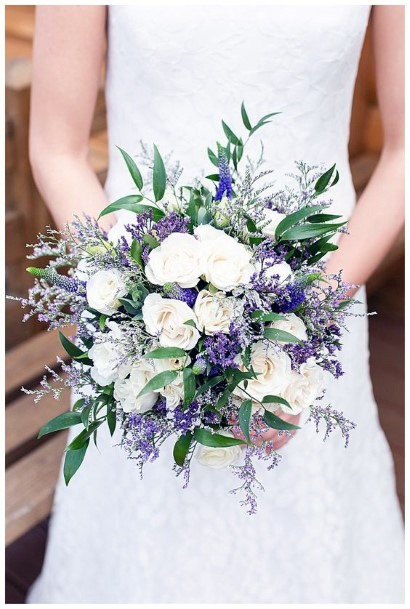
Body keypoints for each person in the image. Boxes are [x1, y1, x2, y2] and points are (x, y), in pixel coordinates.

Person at [27, 5, 404, 603]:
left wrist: (301, 327)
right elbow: (57, 148)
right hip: (146, 314)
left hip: (323, 300)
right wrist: (137, 304)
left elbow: (404, 150)